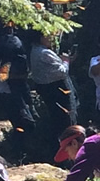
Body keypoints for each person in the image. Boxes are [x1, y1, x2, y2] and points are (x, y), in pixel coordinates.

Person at [28, 29, 77, 159]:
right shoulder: (44, 52)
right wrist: (66, 61)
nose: (51, 38)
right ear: (39, 37)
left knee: (59, 121)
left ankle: (62, 154)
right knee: (66, 121)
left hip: (49, 91)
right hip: (58, 91)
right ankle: (68, 154)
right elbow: (62, 72)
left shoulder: (35, 51)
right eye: (47, 36)